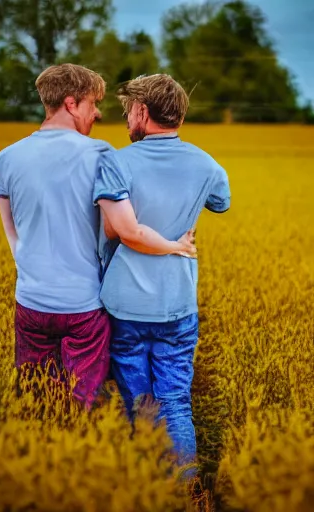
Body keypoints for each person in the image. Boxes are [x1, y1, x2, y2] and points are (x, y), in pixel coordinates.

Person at [0, 64, 196, 409]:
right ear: (71, 104)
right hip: (84, 308)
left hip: (30, 302)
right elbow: (116, 230)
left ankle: (39, 457)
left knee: (35, 401)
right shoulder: (101, 155)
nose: (98, 112)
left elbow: (11, 232)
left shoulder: (6, 158)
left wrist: (30, 270)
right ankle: (79, 452)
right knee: (79, 405)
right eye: (92, 103)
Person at [94, 74, 231, 464]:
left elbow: (114, 228)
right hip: (178, 302)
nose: (126, 118)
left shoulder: (116, 162)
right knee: (175, 401)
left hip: (124, 306)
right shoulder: (206, 164)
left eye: (127, 111)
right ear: (180, 118)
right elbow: (221, 203)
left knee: (136, 401)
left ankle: (143, 484)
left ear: (142, 111)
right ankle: (186, 492)